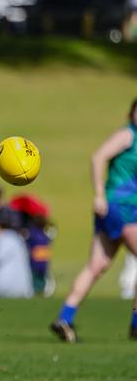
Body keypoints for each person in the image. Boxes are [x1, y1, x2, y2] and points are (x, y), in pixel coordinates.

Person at [51, 99, 137, 342]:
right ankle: (136, 324)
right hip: (122, 208)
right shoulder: (128, 135)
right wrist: (99, 193)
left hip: (117, 210)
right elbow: (97, 157)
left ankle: (65, 317)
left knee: (96, 265)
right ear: (131, 113)